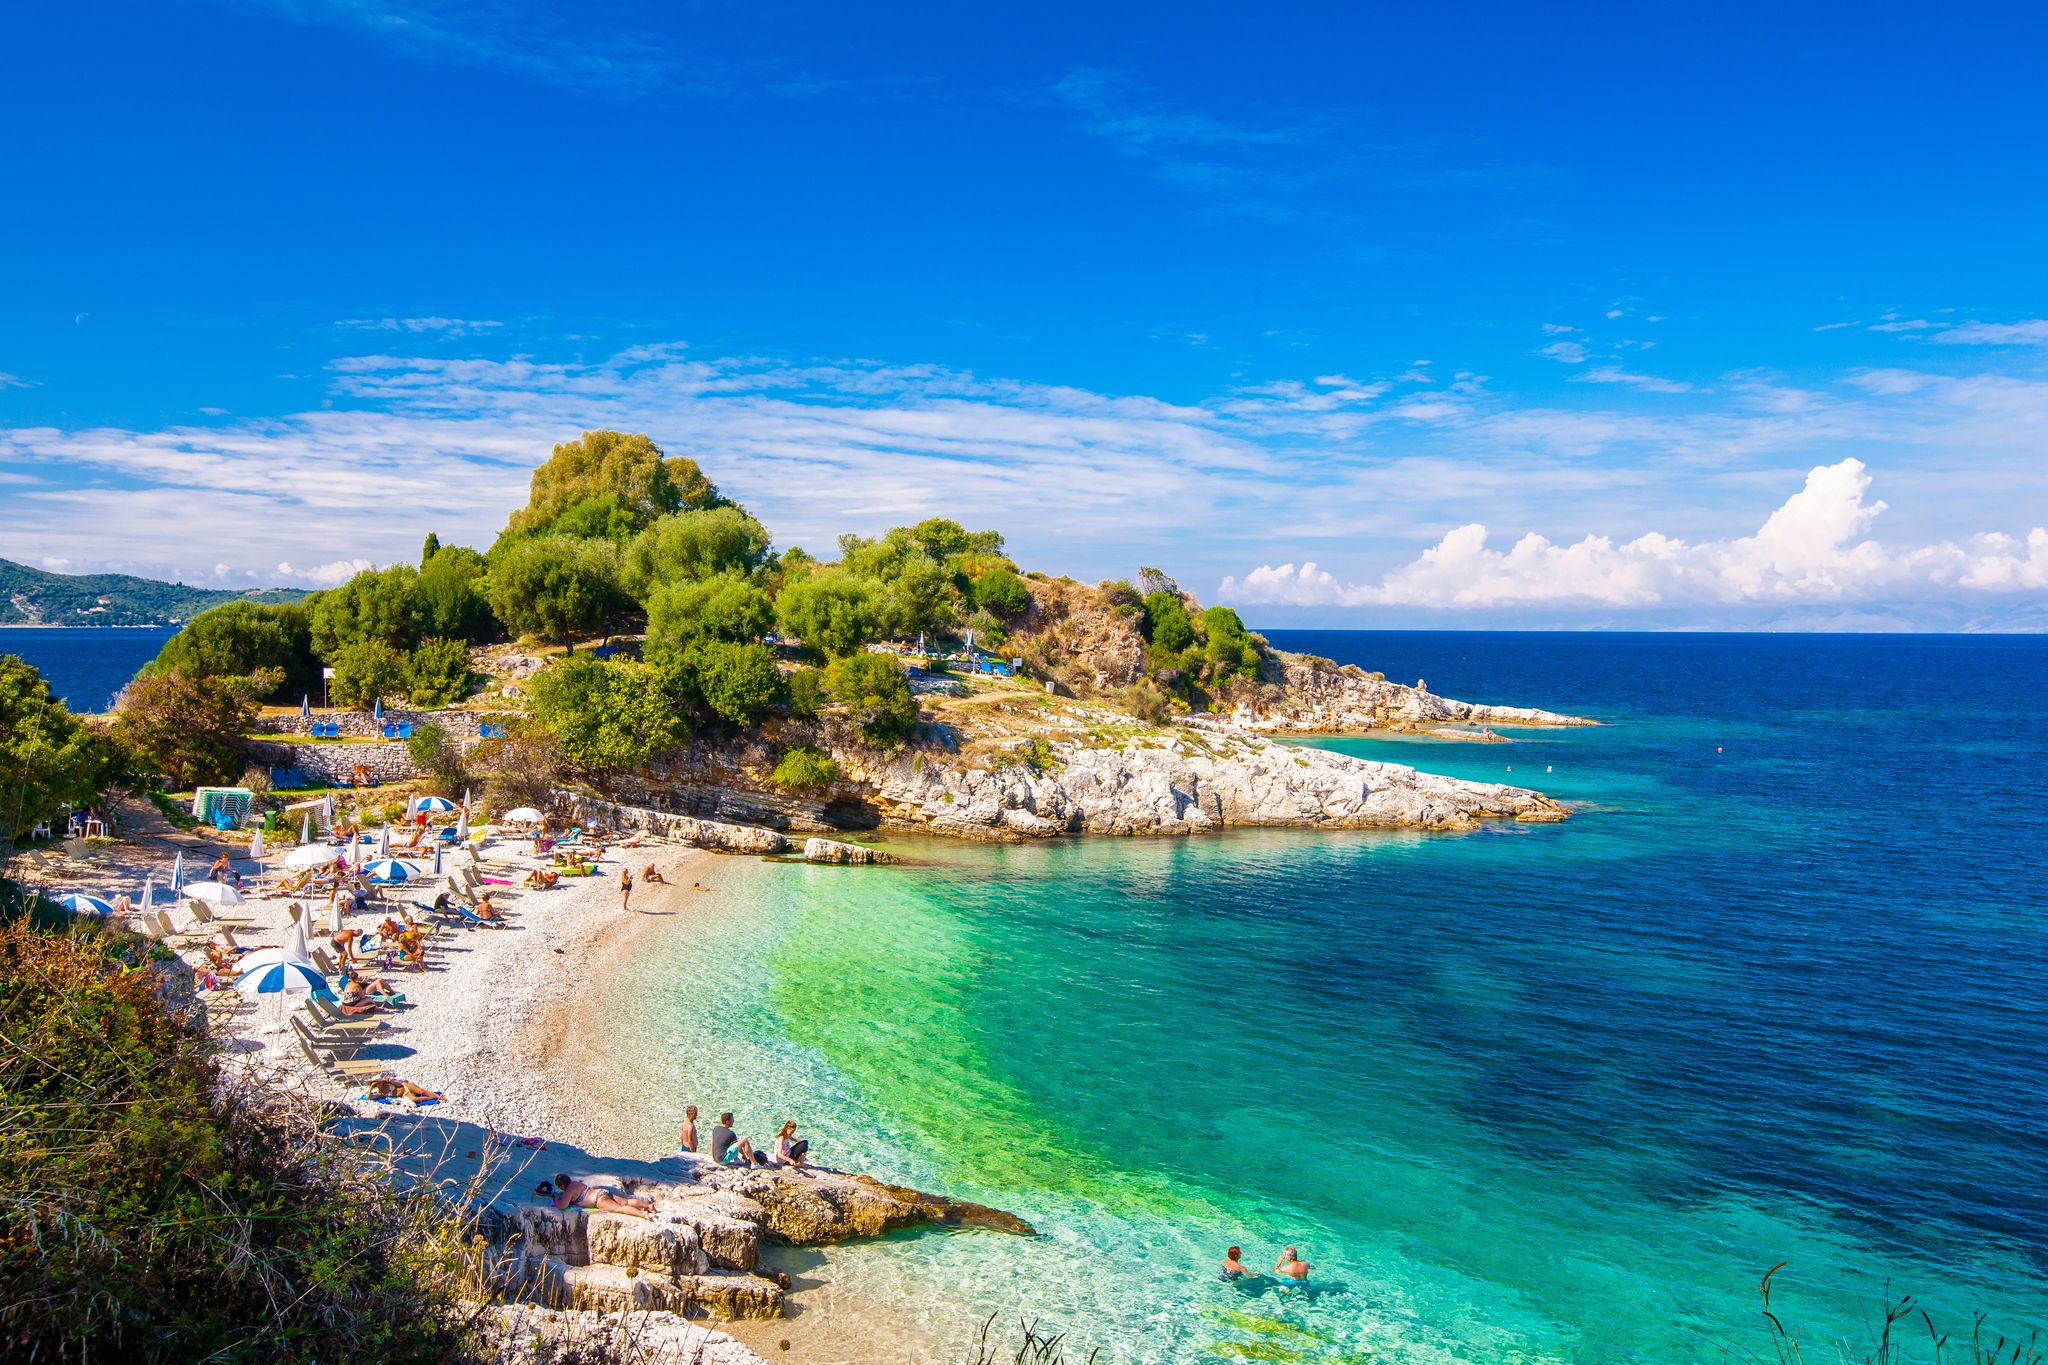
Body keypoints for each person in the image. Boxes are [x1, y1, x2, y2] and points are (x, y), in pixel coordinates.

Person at [550, 1173, 655, 1221]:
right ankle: (649, 1206)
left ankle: (643, 1214)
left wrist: (556, 1199)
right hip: (601, 1192)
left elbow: (562, 1206)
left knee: (620, 1209)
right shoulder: (576, 1183)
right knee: (625, 1202)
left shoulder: (569, 1190)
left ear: (562, 1185)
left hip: (598, 1200)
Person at [366, 1074, 443, 1105]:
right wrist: (371, 1087)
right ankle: (431, 1098)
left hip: (406, 1086)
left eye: (377, 1082)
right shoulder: (380, 1093)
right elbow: (369, 1097)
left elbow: (400, 1084)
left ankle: (440, 1097)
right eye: (375, 1083)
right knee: (414, 1099)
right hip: (404, 1094)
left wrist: (392, 1081)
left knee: (422, 1091)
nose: (377, 1084)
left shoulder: (387, 1083)